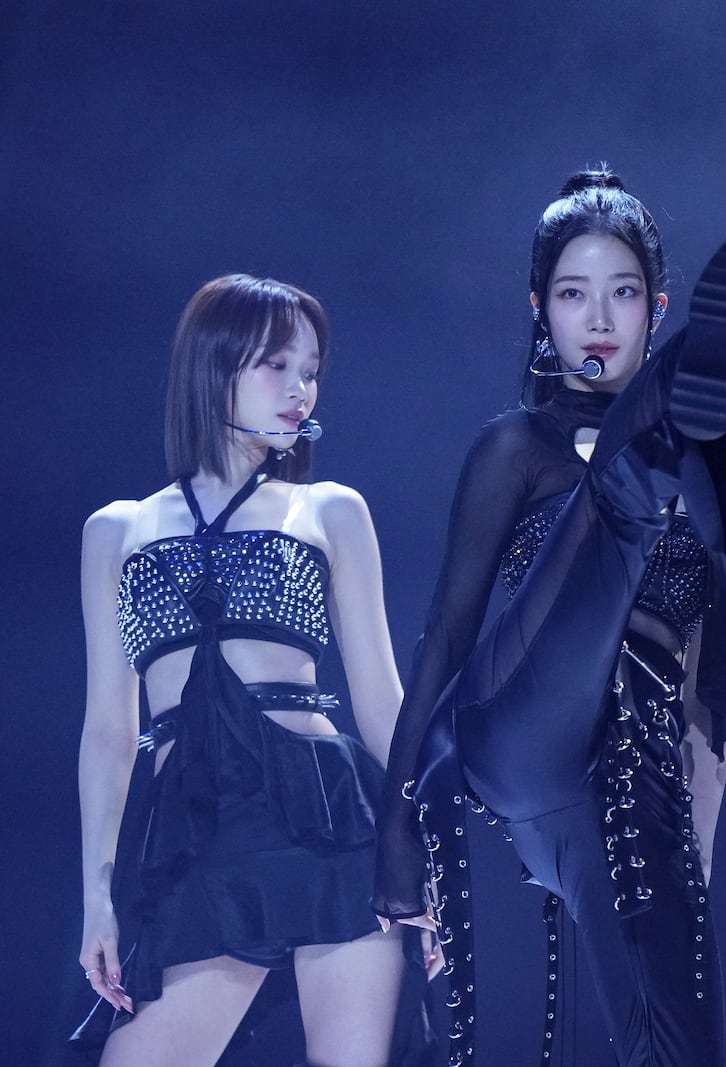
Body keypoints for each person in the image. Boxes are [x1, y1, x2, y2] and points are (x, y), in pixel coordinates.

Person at [370, 170, 726, 1067]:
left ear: (655, 304)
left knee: (680, 1051)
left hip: (632, 772)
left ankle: (654, 457)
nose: (598, 318)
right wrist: (396, 832)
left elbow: (708, 670)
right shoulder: (515, 448)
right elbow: (445, 635)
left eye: (623, 293)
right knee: (609, 518)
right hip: (517, 725)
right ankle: (644, 464)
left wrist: (694, 854)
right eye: (573, 294)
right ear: (540, 308)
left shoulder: (719, 458)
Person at [75, 274, 409, 1066]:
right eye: (278, 364)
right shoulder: (116, 530)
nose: (301, 387)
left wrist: (423, 857)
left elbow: (384, 703)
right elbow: (109, 731)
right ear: (214, 365)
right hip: (195, 829)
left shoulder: (330, 509)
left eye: (312, 369)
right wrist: (96, 894)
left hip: (330, 824)